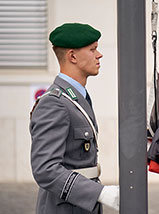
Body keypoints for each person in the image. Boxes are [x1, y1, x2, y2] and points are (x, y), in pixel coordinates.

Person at [29, 23, 119, 213]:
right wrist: (99, 193)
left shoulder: (75, 97)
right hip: (64, 207)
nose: (99, 55)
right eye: (93, 49)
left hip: (81, 204)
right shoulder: (54, 103)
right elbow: (45, 169)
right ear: (72, 56)